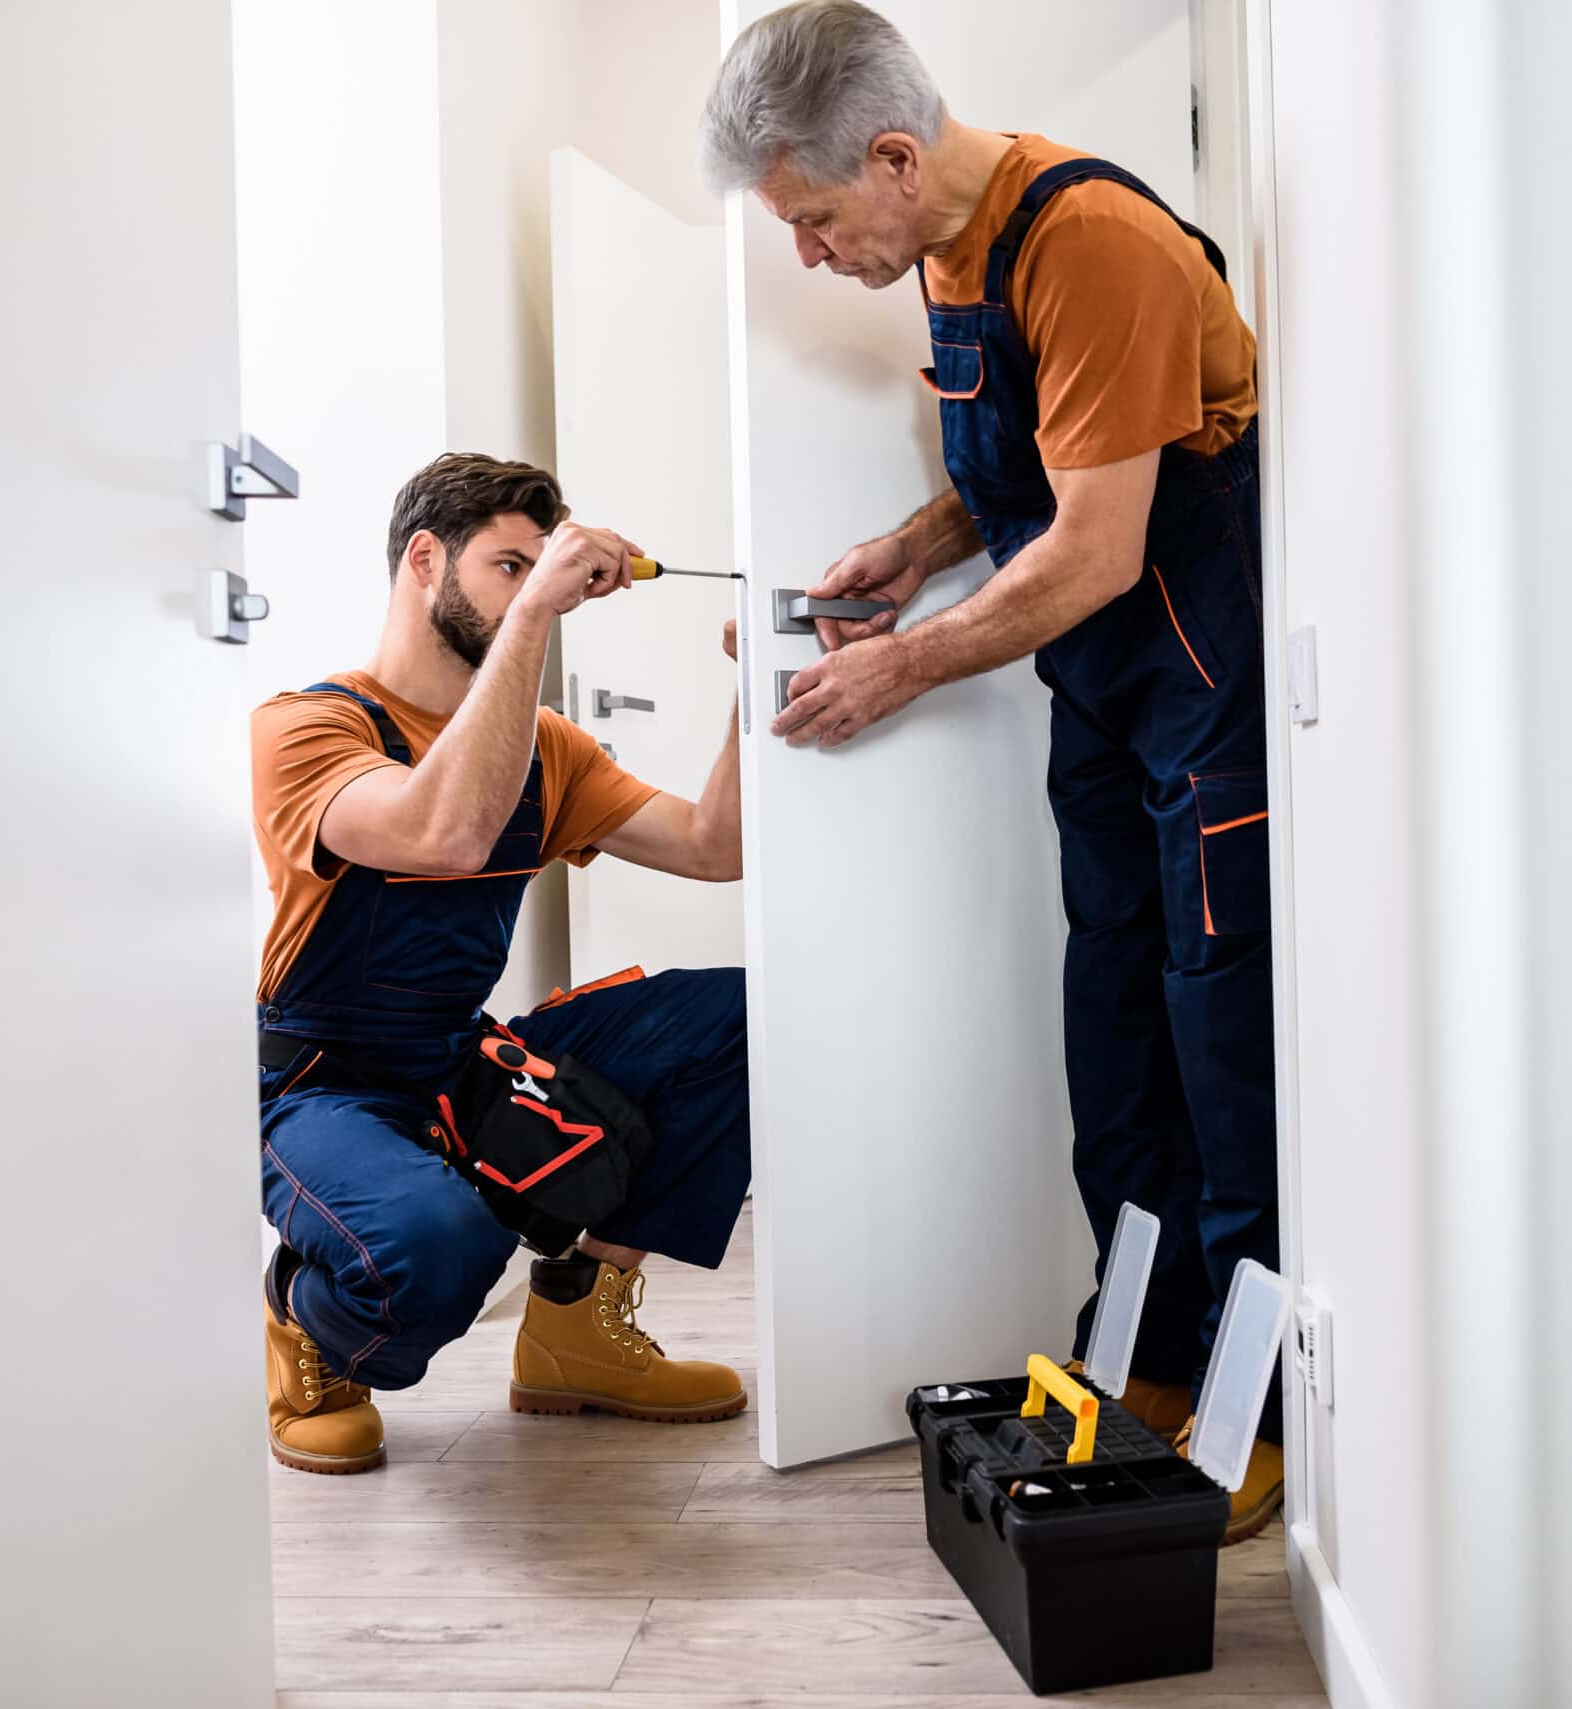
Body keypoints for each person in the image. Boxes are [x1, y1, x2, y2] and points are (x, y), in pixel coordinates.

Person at [700, 0, 1280, 1541]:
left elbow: (1095, 544)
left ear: (893, 158)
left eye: (817, 222)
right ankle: (1148, 1356)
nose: (813, 258)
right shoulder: (949, 247)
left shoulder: (1090, 241)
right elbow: (1037, 470)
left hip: (1200, 682)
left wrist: (896, 663)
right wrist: (911, 547)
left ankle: (1257, 1405)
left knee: (1224, 1042)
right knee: (1116, 1032)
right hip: (1105, 696)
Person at [252, 452, 751, 1474]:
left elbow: (715, 845)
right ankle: (310, 1321)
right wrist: (537, 617)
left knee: (743, 1016)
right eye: (508, 566)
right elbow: (444, 832)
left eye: (540, 567)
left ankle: (577, 1328)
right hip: (319, 1082)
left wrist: (759, 681)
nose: (531, 589)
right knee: (439, 1247)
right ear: (425, 560)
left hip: (457, 1054)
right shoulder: (311, 727)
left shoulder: (547, 747)